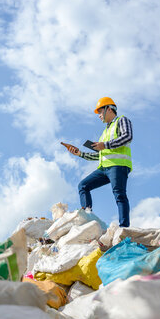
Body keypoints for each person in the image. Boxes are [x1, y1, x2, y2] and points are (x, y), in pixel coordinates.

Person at [67, 97, 133, 227]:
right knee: (83, 186)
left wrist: (106, 145)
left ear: (109, 109)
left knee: (119, 194)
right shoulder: (104, 132)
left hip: (118, 166)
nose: (99, 116)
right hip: (104, 168)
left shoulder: (122, 120)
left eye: (100, 112)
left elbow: (128, 137)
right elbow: (100, 154)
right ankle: (88, 218)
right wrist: (80, 153)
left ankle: (123, 227)